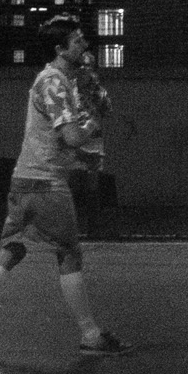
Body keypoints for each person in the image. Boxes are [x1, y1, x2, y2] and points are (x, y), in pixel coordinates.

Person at [0, 16, 130, 357]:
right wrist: (95, 119)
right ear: (60, 48)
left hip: (23, 181)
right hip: (47, 185)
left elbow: (66, 136)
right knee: (69, 254)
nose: (85, 46)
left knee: (12, 248)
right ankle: (90, 335)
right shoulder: (54, 82)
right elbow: (72, 135)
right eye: (78, 41)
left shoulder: (57, 80)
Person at [71, 43, 114, 240]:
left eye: (89, 67)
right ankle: (69, 229)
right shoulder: (69, 89)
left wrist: (97, 91)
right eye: (82, 67)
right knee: (69, 187)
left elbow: (107, 110)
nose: (85, 71)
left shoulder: (97, 91)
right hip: (73, 141)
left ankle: (93, 228)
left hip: (93, 142)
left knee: (92, 188)